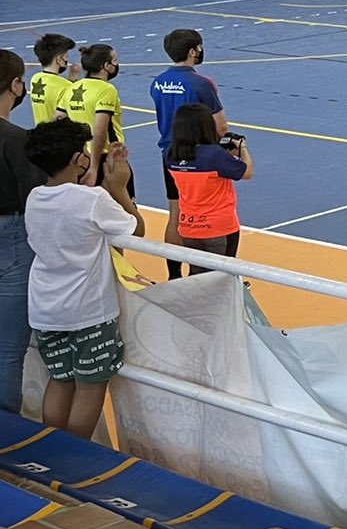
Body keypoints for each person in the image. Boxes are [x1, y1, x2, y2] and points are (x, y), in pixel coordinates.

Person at [25, 117, 142, 438]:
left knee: (60, 379)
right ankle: (76, 456)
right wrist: (118, 188)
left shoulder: (35, 197)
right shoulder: (92, 200)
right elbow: (136, 230)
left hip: (46, 309)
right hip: (88, 312)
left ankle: (52, 451)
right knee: (91, 385)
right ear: (78, 159)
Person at [148, 28, 226, 274]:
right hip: (199, 156)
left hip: (169, 153)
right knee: (208, 214)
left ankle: (173, 273)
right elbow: (221, 126)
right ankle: (208, 273)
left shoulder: (158, 82)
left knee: (176, 212)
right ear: (193, 51)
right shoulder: (200, 84)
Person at [0, 50, 40, 415]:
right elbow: (38, 199)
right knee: (9, 350)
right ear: (15, 86)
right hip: (12, 236)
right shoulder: (17, 139)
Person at [164, 103, 249, 272]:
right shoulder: (214, 154)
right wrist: (242, 148)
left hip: (189, 228)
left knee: (197, 277)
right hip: (219, 227)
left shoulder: (170, 155)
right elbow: (246, 172)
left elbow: (199, 165)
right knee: (222, 278)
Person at [59, 44, 122, 184]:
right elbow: (100, 131)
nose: (117, 64)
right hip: (106, 158)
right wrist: (94, 168)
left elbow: (58, 120)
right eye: (115, 60)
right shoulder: (107, 89)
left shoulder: (72, 88)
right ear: (106, 65)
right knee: (121, 204)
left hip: (81, 158)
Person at [29, 35, 77, 126]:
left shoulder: (35, 79)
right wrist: (74, 82)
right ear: (59, 60)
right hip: (61, 138)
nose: (67, 60)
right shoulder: (66, 86)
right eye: (66, 57)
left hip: (40, 135)